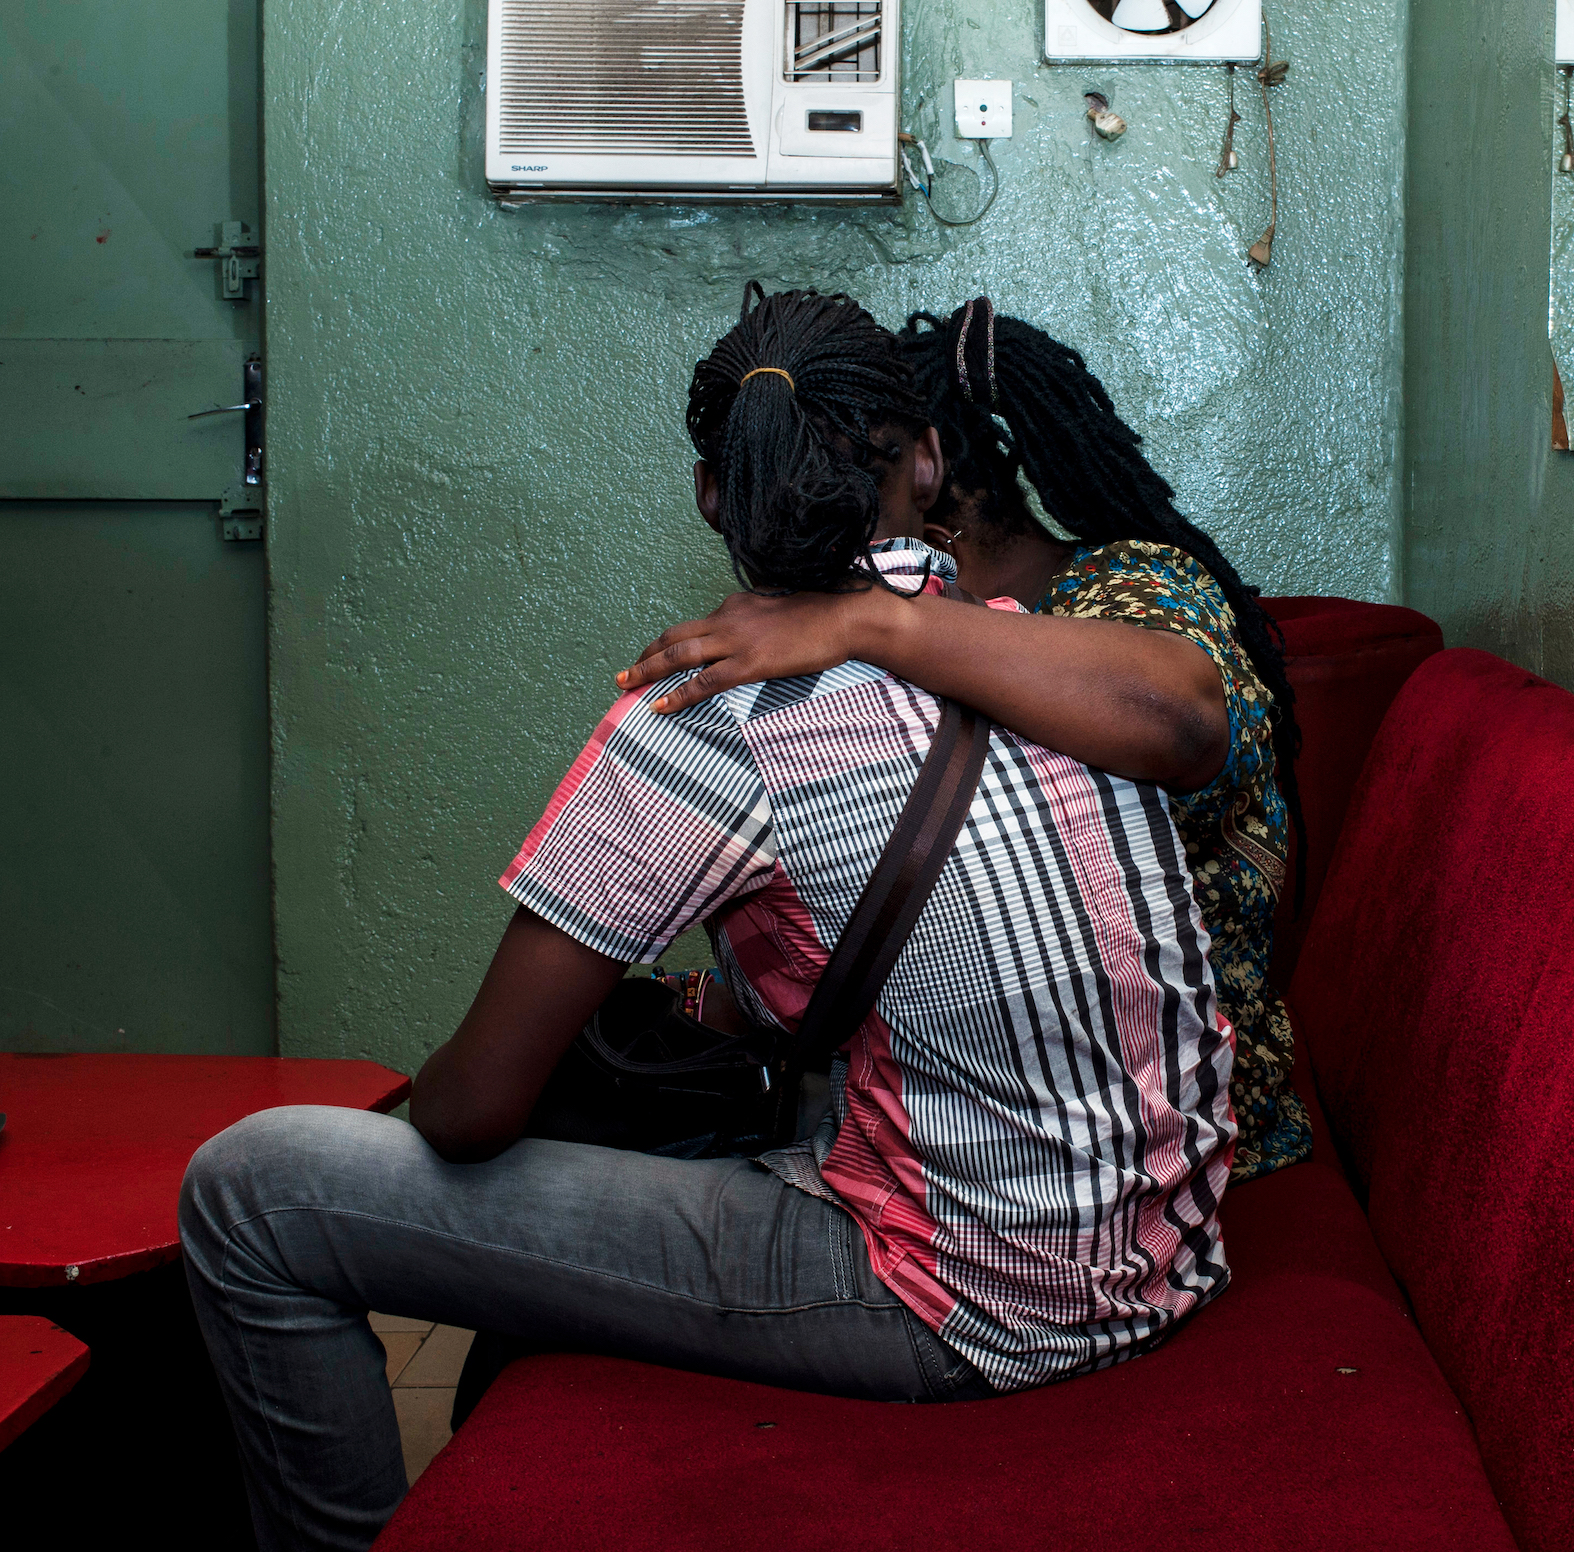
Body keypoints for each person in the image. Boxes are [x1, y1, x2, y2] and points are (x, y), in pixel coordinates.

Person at [178, 285, 1236, 1552]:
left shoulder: (702, 725)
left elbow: (468, 1113)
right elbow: (1187, 713)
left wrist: (854, 623)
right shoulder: (1036, 653)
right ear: (928, 461)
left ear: (708, 497)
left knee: (252, 1189)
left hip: (960, 1303)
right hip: (1156, 1263)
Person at [623, 297, 1311, 1180]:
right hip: (973, 1114)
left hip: (1168, 1141)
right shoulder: (858, 637)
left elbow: (1178, 718)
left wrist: (881, 626)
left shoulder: (1128, 586)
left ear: (924, 471)